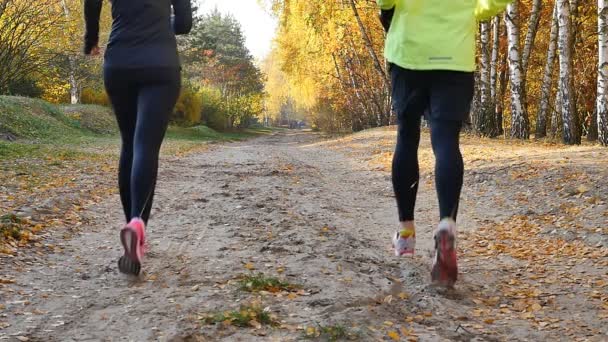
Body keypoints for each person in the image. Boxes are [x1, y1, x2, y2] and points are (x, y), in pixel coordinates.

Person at [378, 0, 512, 287]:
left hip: (408, 55)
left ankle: (405, 235)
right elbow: (491, 5)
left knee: (407, 137)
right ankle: (446, 225)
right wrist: (465, 11)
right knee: (446, 142)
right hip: (455, 58)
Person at [84, 0, 193, 275]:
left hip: (119, 62)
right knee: (146, 145)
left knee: (130, 144)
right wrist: (159, 25)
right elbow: (184, 24)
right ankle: (137, 225)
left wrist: (92, 37)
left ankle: (133, 226)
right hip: (161, 63)